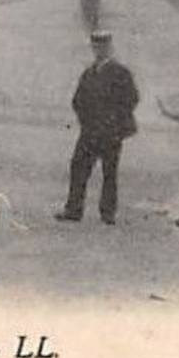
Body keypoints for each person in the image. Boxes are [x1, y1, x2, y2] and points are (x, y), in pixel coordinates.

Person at [55, 30, 138, 225]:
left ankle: (108, 212)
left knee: (109, 172)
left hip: (111, 132)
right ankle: (74, 209)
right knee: (78, 167)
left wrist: (114, 120)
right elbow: (77, 100)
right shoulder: (89, 73)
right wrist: (85, 119)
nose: (99, 51)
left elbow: (131, 98)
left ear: (110, 47)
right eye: (96, 47)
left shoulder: (120, 73)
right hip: (90, 130)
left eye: (103, 47)